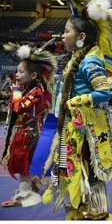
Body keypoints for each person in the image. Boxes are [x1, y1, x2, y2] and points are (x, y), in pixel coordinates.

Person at [41, 0, 112, 220]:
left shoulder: (89, 62)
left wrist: (76, 101)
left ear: (80, 37)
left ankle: (96, 208)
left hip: (88, 126)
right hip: (75, 124)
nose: (62, 35)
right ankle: (80, 204)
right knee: (74, 163)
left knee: (90, 164)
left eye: (66, 31)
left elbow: (104, 93)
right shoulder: (77, 59)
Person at [1, 41, 57, 207]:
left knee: (24, 164)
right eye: (17, 71)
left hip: (29, 134)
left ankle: (24, 195)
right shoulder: (30, 89)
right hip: (26, 132)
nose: (16, 75)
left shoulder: (36, 91)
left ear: (33, 75)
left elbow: (18, 107)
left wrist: (15, 91)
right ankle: (33, 188)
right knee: (30, 164)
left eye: (20, 71)